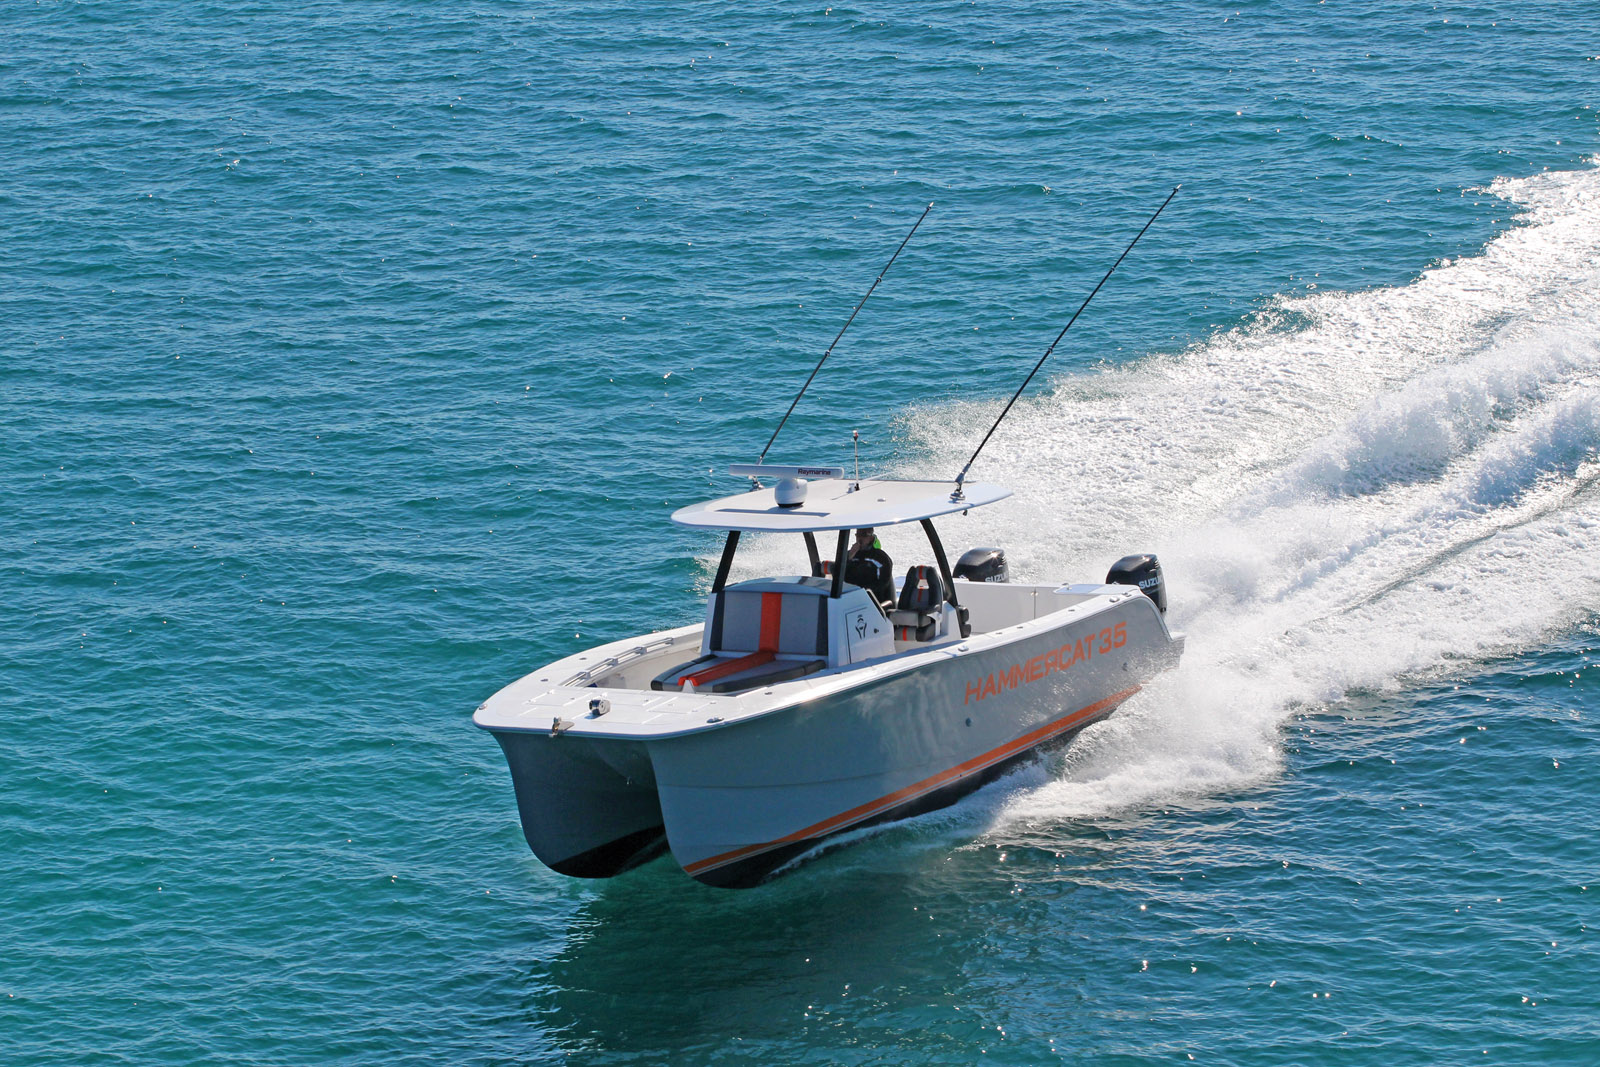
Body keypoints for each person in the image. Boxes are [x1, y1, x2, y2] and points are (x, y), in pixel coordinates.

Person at [844, 527, 895, 609]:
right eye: (858, 535)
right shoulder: (849, 555)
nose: (860, 538)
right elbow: (840, 575)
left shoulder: (880, 557)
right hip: (850, 597)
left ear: (871, 537)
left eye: (864, 535)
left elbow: (883, 583)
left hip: (874, 601)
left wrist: (862, 589)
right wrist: (848, 558)